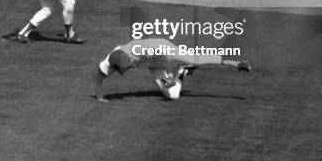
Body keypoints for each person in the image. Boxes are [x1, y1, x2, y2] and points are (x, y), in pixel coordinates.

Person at [93, 38, 251, 102]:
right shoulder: (114, 58)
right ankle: (182, 72)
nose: (126, 69)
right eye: (122, 68)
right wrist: (100, 97)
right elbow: (98, 76)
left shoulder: (144, 50)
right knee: (173, 96)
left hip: (164, 52)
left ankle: (236, 63)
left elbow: (164, 57)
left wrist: (169, 76)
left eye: (125, 66)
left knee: (197, 60)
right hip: (152, 63)